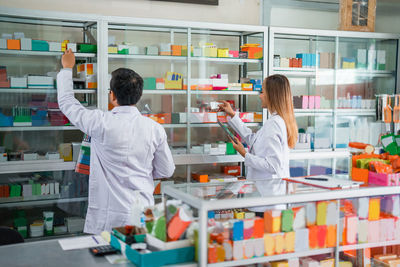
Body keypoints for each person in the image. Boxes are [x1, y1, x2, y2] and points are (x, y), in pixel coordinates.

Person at [57, 49, 175, 234]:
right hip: (142, 212)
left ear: (112, 96)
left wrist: (66, 68)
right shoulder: (154, 128)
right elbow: (166, 170)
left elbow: (67, 103)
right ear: (139, 95)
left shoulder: (99, 122)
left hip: (108, 218)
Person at [218, 74, 298, 212]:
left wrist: (245, 154)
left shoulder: (274, 124)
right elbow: (253, 139)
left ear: (271, 95)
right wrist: (233, 115)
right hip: (270, 199)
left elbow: (273, 165)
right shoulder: (276, 121)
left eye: (262, 91)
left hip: (268, 203)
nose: (259, 95)